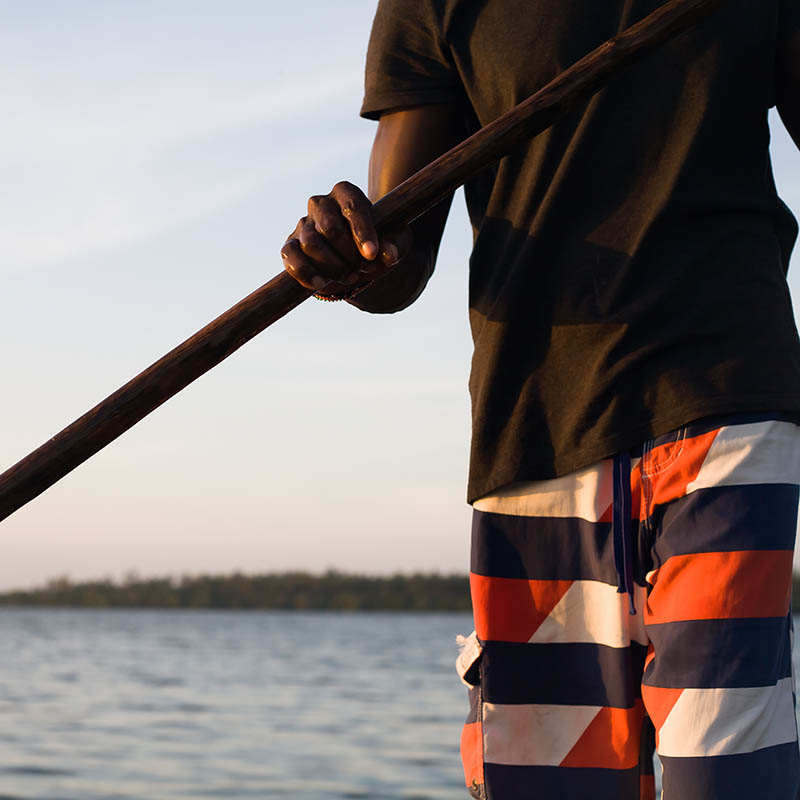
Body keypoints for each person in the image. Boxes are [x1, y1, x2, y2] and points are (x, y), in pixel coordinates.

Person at [281, 1, 800, 797]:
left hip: (726, 399)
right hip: (532, 425)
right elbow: (400, 253)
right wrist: (352, 253)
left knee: (726, 775)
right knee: (553, 782)